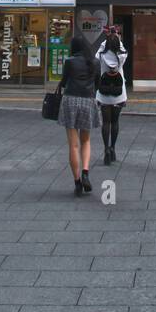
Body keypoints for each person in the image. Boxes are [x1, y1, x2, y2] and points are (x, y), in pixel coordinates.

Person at [57, 35, 100, 196]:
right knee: (86, 141)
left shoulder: (70, 62)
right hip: (88, 100)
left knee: (73, 145)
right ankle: (86, 172)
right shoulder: (95, 62)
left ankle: (77, 182)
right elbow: (98, 83)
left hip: (71, 101)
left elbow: (64, 81)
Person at [95, 29, 127, 163]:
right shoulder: (122, 56)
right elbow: (122, 48)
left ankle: (106, 149)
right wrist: (116, 37)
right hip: (118, 94)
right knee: (115, 122)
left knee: (105, 122)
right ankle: (113, 148)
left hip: (103, 94)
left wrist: (106, 39)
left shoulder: (101, 56)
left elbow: (97, 53)